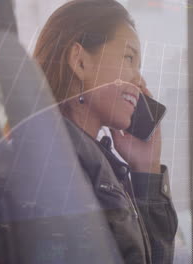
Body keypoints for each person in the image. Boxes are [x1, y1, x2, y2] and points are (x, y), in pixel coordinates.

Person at [32, 0, 177, 263]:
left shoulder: (89, 160)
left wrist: (147, 169)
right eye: (129, 58)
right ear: (80, 61)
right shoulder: (53, 163)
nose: (139, 80)